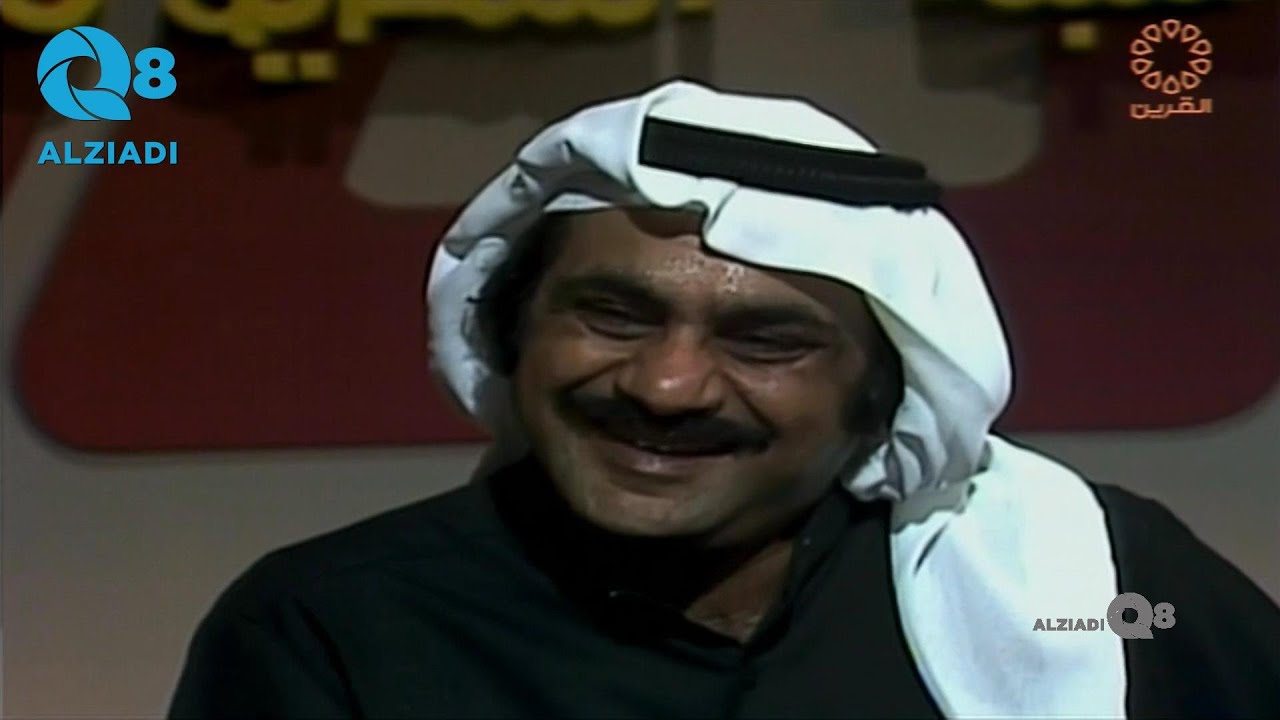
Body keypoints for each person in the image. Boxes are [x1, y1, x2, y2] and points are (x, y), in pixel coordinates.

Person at [169, 80, 1280, 719]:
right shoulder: (334, 629)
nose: (666, 386)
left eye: (766, 341)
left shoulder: (1085, 586)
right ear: (512, 331)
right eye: (612, 315)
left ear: (878, 394)